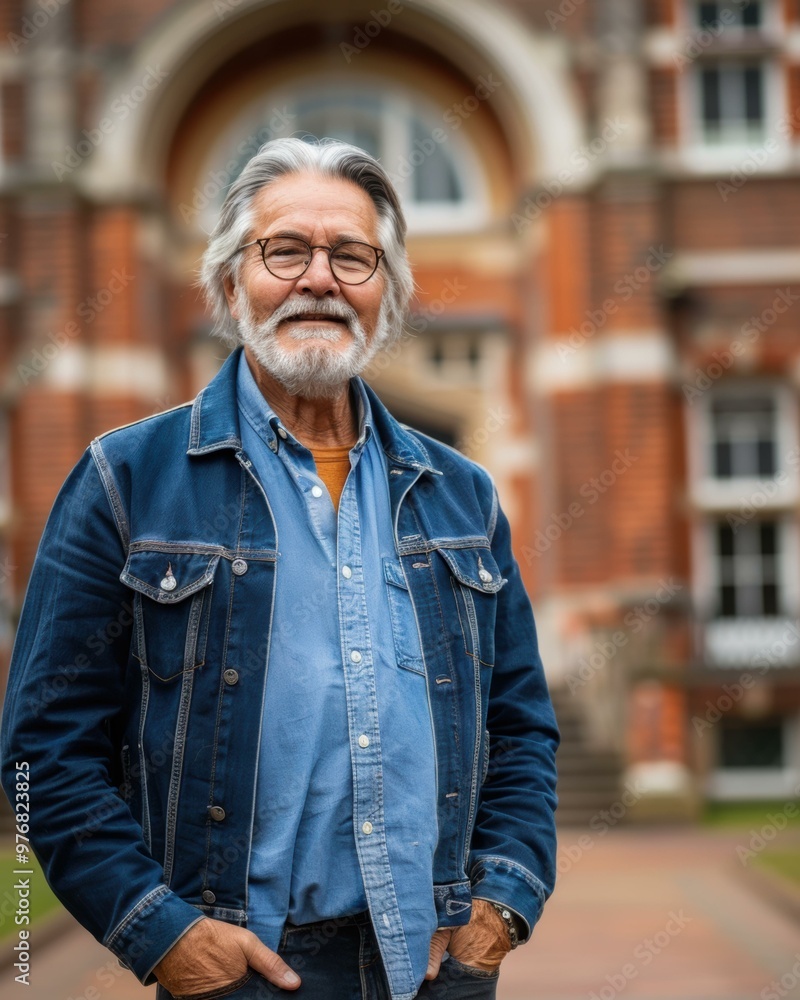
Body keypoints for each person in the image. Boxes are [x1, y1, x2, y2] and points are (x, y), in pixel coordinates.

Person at [0, 137, 559, 1000]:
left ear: (388, 296)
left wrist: (500, 908)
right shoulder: (127, 479)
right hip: (245, 973)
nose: (320, 279)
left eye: (352, 256)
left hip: (439, 965)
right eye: (286, 250)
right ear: (232, 284)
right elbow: (43, 749)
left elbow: (521, 726)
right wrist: (162, 934)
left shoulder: (464, 495)